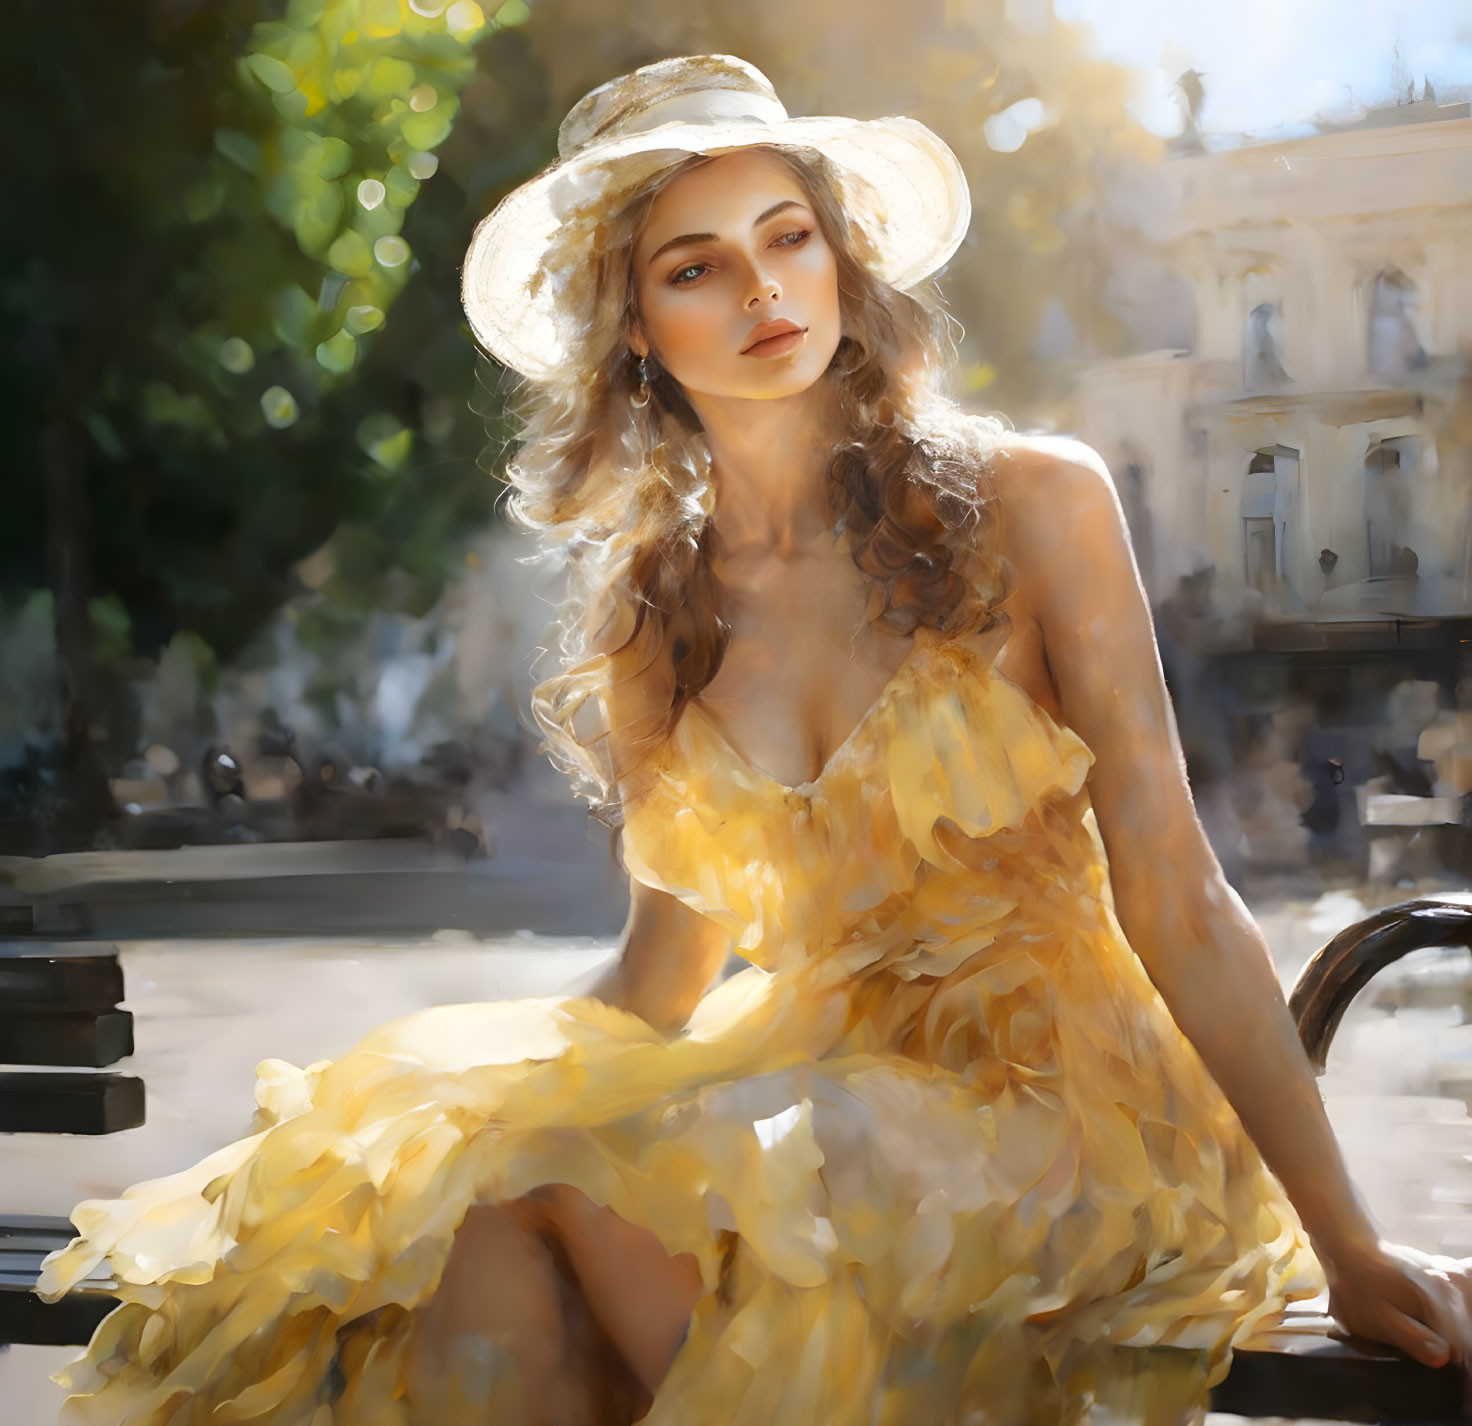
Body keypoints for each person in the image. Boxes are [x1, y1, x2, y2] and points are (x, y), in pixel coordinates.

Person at [40, 53, 1472, 1426]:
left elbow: (1177, 890)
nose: (762, 286)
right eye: (695, 265)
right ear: (635, 331)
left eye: (787, 236)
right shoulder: (657, 612)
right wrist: (420, 1132)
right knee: (476, 1221)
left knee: (566, 1201)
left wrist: (1345, 1242)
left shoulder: (1040, 503)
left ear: (843, 259)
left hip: (1059, 1117)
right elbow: (665, 973)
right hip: (816, 1117)